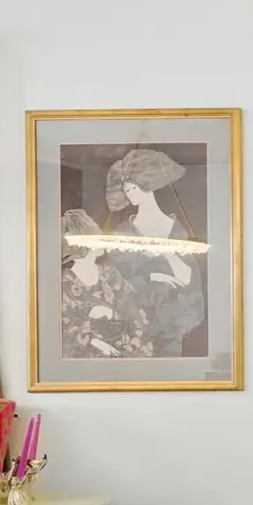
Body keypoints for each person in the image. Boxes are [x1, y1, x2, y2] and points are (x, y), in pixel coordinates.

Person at [105, 147, 206, 356]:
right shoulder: (123, 232)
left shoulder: (175, 228)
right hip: (136, 326)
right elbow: (116, 280)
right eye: (126, 190)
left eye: (133, 188)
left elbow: (188, 279)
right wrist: (153, 275)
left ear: (147, 185)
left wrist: (166, 252)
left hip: (172, 324)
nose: (129, 194)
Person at [60, 208, 150, 358]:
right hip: (86, 358)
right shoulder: (65, 283)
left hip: (124, 349)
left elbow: (134, 313)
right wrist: (94, 342)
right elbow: (63, 327)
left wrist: (112, 313)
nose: (101, 238)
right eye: (96, 235)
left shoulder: (110, 274)